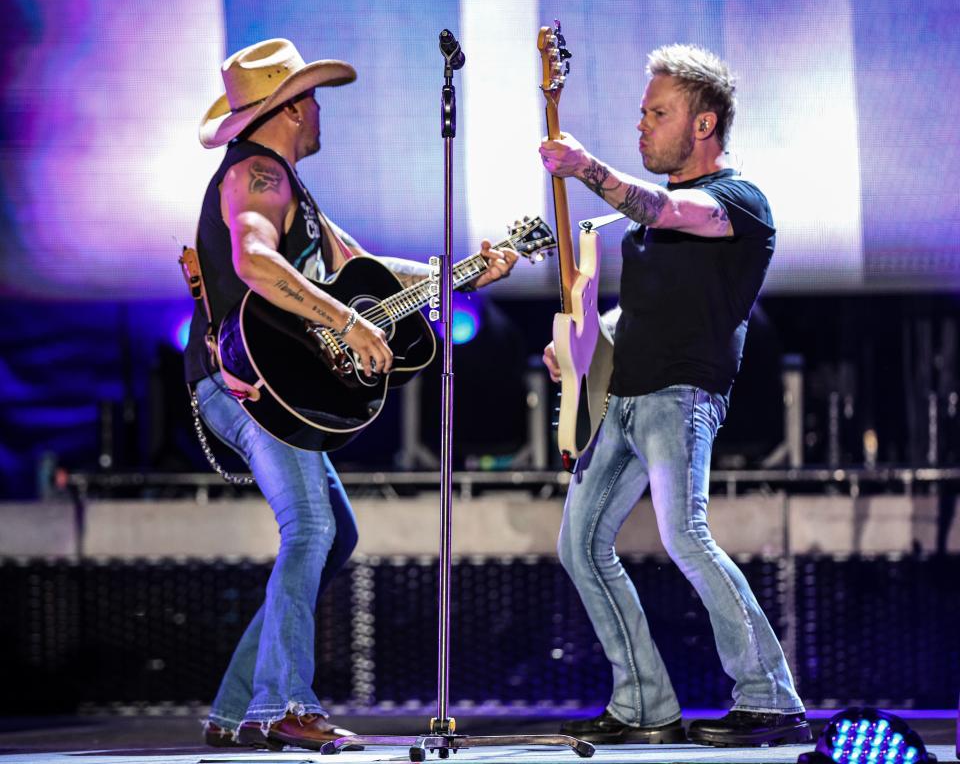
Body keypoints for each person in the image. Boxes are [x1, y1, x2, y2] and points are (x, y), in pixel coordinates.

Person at [185, 38, 516, 750]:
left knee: (334, 535)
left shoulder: (292, 189)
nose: (320, 112)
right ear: (294, 106)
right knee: (311, 531)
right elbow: (252, 257)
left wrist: (462, 274)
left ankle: (238, 707)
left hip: (267, 387)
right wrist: (343, 319)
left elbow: (366, 270)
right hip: (243, 383)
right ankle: (283, 707)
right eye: (314, 99)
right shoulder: (256, 174)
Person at [539, 44, 811, 747]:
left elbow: (663, 206)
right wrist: (580, 341)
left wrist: (586, 168)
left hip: (681, 396)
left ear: (703, 124)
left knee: (685, 536)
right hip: (622, 397)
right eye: (641, 113)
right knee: (580, 545)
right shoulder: (647, 235)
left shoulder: (737, 203)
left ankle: (771, 697)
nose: (643, 126)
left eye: (658, 114)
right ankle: (643, 704)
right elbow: (638, 315)